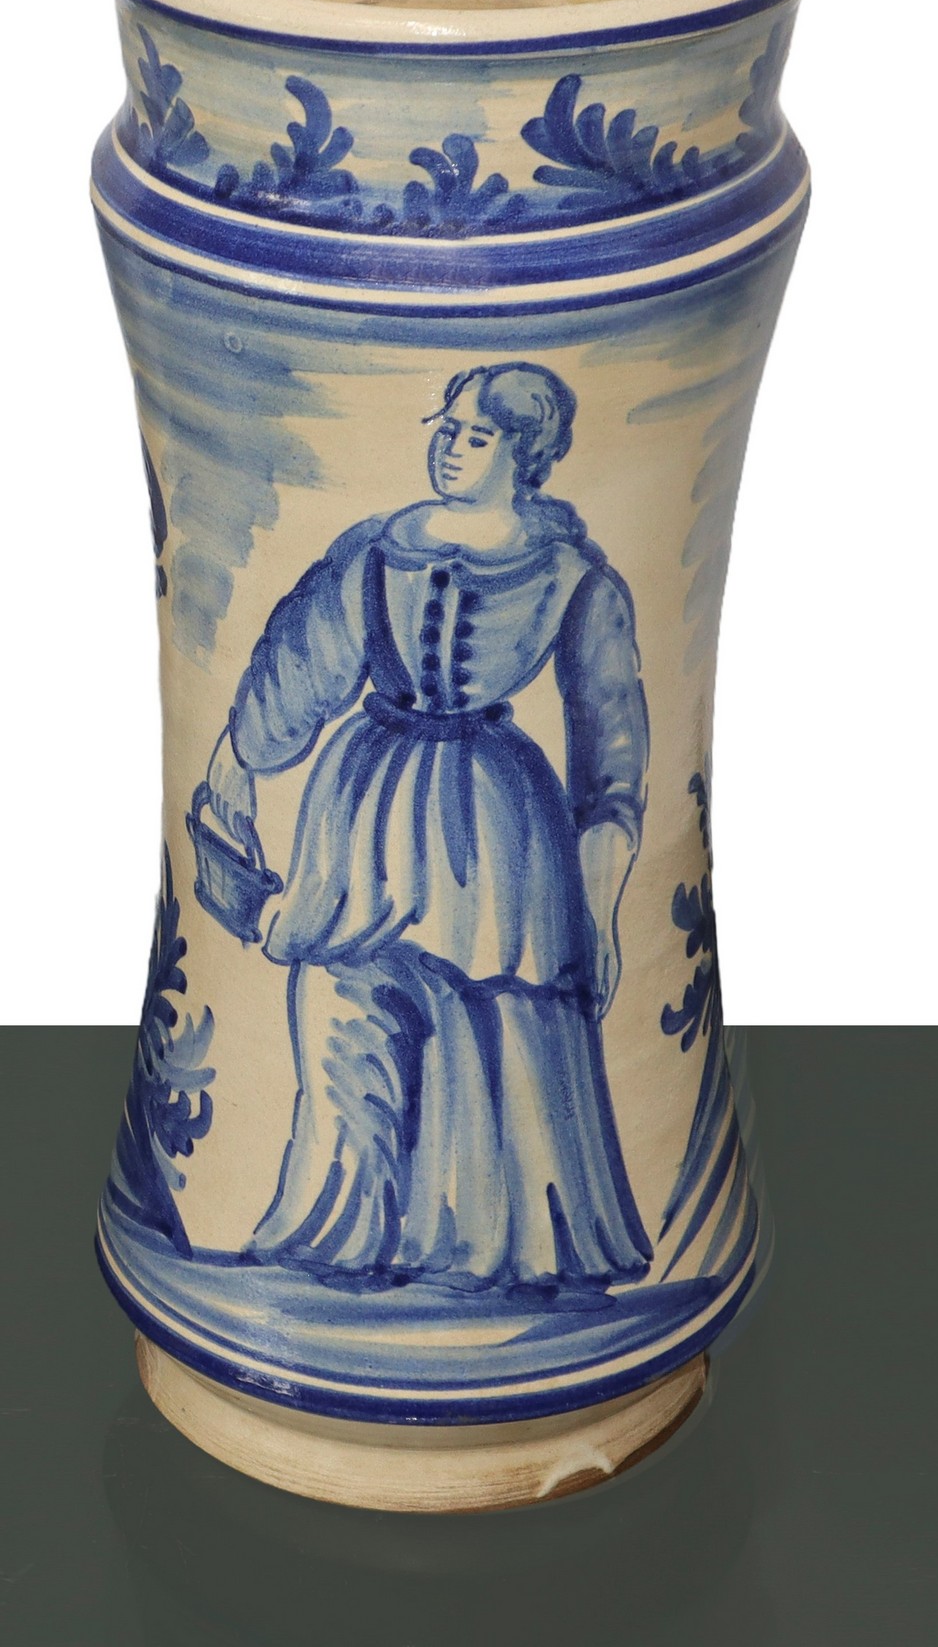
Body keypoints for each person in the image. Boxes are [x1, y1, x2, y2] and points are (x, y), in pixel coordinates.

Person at [202, 361, 652, 1292]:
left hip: (496, 825)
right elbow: (304, 659)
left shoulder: (574, 579)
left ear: (526, 454)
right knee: (346, 998)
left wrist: (599, 908)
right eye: (444, 427)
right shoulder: (379, 552)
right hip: (365, 804)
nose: (450, 447)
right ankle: (340, 1233)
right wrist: (238, 757)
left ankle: (483, 1244)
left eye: (476, 435)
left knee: (495, 1019)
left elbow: (610, 762)